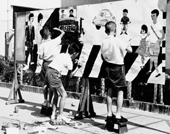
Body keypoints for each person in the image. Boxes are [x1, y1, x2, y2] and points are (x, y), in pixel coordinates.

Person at [101, 21, 132, 131]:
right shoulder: (119, 40)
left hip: (108, 67)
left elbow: (102, 56)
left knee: (109, 90)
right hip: (118, 67)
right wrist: (127, 43)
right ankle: (118, 115)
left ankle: (109, 114)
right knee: (120, 91)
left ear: (106, 30)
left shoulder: (104, 42)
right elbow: (130, 50)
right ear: (115, 29)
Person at [45, 43, 81, 121]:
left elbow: (61, 62)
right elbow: (70, 76)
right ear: (75, 53)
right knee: (64, 95)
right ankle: (61, 115)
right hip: (54, 74)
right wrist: (78, 67)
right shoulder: (70, 62)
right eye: (77, 54)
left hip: (48, 71)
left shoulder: (62, 54)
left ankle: (53, 114)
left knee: (56, 94)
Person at [38, 26, 65, 107]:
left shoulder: (42, 45)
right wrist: (57, 29)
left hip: (46, 64)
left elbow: (40, 57)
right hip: (54, 64)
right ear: (50, 34)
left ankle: (45, 100)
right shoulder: (54, 41)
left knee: (45, 84)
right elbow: (63, 33)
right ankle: (50, 101)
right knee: (52, 85)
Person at [147, 9, 165, 77]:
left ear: (157, 16)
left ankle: (157, 72)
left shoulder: (159, 25)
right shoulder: (150, 25)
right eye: (151, 16)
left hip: (156, 45)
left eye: (154, 15)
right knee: (151, 60)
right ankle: (150, 71)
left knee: (155, 60)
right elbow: (149, 34)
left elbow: (163, 35)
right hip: (151, 44)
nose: (152, 17)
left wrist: (159, 40)